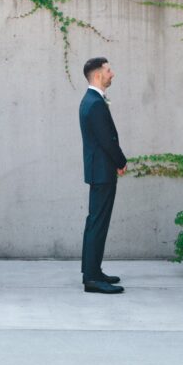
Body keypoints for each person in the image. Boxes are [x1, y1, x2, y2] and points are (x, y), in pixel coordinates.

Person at [78, 57, 127, 294]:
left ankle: (93, 271)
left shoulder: (92, 100)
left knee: (95, 222)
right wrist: (121, 161)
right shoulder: (95, 103)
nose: (112, 74)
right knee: (97, 223)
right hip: (102, 171)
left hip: (99, 170)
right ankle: (92, 278)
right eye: (109, 70)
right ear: (98, 75)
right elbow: (106, 139)